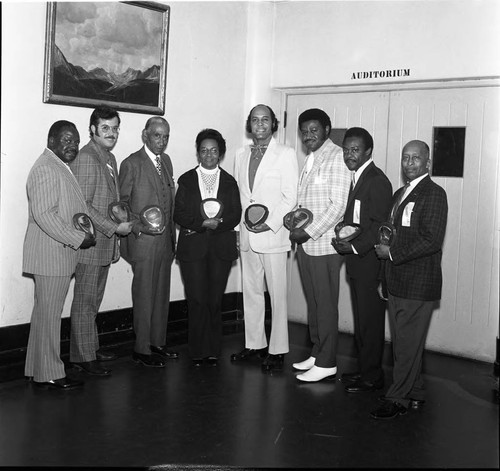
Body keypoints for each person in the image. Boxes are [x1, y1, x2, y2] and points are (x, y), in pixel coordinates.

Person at [372, 140, 448, 420]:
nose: (409, 163)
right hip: (396, 280)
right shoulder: (399, 193)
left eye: (416, 158)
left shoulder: (434, 194)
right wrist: (383, 276)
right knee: (408, 343)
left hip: (418, 283)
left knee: (404, 345)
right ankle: (414, 392)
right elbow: (386, 235)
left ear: (427, 163)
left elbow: (431, 240)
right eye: (405, 157)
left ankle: (397, 398)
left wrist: (391, 255)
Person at [23, 120, 95, 389]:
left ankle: (36, 370)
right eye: (66, 140)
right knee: (50, 316)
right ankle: (51, 373)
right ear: (51, 140)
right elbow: (44, 215)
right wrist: (78, 238)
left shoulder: (56, 165)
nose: (72, 146)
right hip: (51, 256)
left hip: (54, 255)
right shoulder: (46, 168)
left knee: (44, 314)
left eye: (75, 141)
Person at [231, 104, 299, 372]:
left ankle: (278, 349)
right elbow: (240, 196)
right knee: (252, 292)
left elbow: (290, 197)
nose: (260, 124)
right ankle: (255, 344)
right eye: (255, 120)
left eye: (265, 120)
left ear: (273, 125)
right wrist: (239, 231)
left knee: (277, 295)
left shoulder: (286, 154)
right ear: (249, 125)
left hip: (273, 235)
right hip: (247, 236)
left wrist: (269, 224)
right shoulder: (240, 153)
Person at [69, 106, 133, 377]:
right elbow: (82, 206)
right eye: (105, 128)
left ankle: (90, 349)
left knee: (93, 301)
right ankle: (83, 358)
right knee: (85, 302)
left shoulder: (109, 157)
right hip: (91, 242)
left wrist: (116, 236)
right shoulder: (86, 157)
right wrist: (114, 228)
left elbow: (110, 204)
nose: (112, 133)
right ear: (92, 129)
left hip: (104, 243)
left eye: (115, 127)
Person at [290, 108, 351, 382]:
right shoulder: (311, 158)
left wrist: (309, 232)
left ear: (327, 129)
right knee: (314, 303)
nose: (308, 136)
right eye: (304, 131)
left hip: (323, 246)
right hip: (306, 246)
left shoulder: (336, 157)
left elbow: (338, 206)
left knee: (325, 305)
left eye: (314, 130)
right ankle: (317, 352)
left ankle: (327, 362)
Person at [331, 127, 392, 392]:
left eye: (355, 149)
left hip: (369, 264)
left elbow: (378, 224)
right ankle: (364, 369)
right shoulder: (358, 177)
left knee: (371, 322)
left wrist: (353, 248)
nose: (349, 154)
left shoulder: (377, 180)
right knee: (362, 323)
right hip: (358, 263)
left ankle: (373, 376)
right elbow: (357, 220)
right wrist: (342, 232)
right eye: (346, 149)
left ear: (368, 150)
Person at [174, 129, 242, 367]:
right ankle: (197, 350)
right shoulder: (186, 180)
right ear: (198, 153)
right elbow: (179, 213)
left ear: (220, 153)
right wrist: (200, 223)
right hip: (193, 249)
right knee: (196, 299)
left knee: (214, 300)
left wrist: (219, 223)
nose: (209, 154)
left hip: (220, 249)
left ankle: (213, 349)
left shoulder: (230, 181)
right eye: (204, 150)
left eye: (214, 150)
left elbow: (235, 213)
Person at [119, 117, 178, 367]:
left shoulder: (166, 161)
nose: (161, 141)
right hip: (143, 241)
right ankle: (141, 349)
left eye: (165, 136)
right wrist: (141, 227)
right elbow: (121, 206)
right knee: (144, 295)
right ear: (145, 135)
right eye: (157, 135)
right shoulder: (131, 163)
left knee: (161, 294)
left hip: (166, 241)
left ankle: (157, 343)